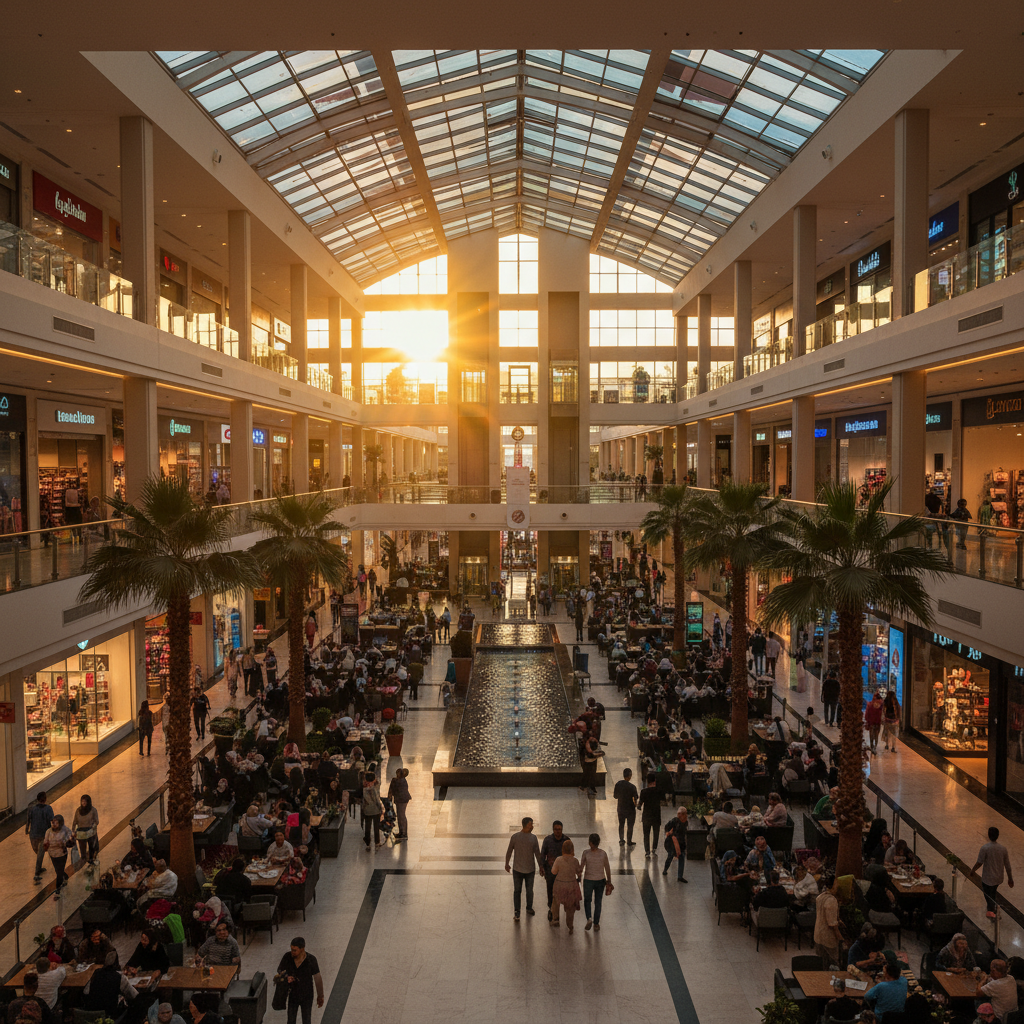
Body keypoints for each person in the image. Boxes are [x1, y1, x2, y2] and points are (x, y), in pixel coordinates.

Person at [275, 938, 324, 1024]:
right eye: (291, 949)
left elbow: (317, 978)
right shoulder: (287, 957)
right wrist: (286, 976)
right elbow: (280, 969)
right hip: (293, 994)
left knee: (306, 1020)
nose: (292, 952)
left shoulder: (311, 960)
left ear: (302, 949)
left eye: (295, 950)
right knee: (291, 1020)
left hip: (307, 995)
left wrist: (320, 996)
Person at [504, 816, 544, 922]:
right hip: (521, 869)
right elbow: (509, 851)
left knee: (525, 890)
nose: (532, 826)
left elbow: (537, 853)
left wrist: (541, 866)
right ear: (526, 825)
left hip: (526, 869)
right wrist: (507, 863)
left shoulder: (532, 838)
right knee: (520, 890)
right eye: (531, 824)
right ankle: (521, 910)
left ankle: (526, 909)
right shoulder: (516, 837)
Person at [971, 826, 1013, 919]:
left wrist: (973, 870)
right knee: (993, 892)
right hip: (998, 878)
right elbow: (1007, 865)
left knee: (987, 894)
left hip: (987, 878)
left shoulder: (985, 848)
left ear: (988, 835)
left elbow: (979, 862)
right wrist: (1010, 878)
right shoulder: (1003, 849)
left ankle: (992, 910)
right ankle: (991, 909)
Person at [580, 833, 611, 931]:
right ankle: (596, 924)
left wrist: (577, 876)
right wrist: (609, 881)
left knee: (587, 900)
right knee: (598, 902)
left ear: (590, 843)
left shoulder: (586, 853)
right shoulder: (603, 854)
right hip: (600, 881)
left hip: (588, 880)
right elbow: (607, 868)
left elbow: (581, 868)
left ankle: (589, 918)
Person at [549, 838, 581, 933]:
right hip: (571, 885)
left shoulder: (558, 859)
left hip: (559, 884)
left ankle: (555, 919)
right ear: (572, 849)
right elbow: (579, 873)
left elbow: (553, 872)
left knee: (555, 902)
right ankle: (570, 925)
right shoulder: (575, 861)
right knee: (570, 907)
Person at [42, 814, 73, 898]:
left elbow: (70, 840)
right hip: (52, 854)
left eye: (56, 823)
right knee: (58, 870)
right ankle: (65, 876)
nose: (54, 825)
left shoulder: (65, 830)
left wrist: (68, 841)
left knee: (59, 873)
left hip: (62, 854)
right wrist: (46, 845)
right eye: (53, 823)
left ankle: (58, 890)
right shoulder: (48, 831)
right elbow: (45, 842)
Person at [26, 791, 53, 884]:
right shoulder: (48, 809)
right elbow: (52, 820)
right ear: (45, 799)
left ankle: (38, 869)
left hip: (33, 834)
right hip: (43, 835)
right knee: (40, 853)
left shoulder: (32, 808)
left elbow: (28, 819)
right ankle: (36, 874)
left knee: (38, 853)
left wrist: (27, 829)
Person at [814, 884, 842, 967]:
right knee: (833, 965)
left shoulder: (820, 896)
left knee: (821, 963)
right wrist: (840, 938)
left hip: (818, 935)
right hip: (828, 938)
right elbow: (832, 924)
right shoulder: (831, 900)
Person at [637, 772, 662, 860]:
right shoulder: (659, 790)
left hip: (646, 817)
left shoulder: (644, 792)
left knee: (646, 834)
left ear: (647, 781)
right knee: (656, 833)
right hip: (656, 816)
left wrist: (638, 806)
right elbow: (664, 800)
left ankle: (647, 851)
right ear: (655, 780)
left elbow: (639, 805)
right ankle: (654, 849)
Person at [662, 806, 689, 882]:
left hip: (681, 843)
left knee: (681, 858)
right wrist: (668, 833)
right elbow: (667, 827)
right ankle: (665, 870)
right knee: (670, 856)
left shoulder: (686, 822)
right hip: (672, 842)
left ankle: (680, 876)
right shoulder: (675, 820)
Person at [72, 794, 99, 867]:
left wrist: (92, 826)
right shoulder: (78, 810)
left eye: (85, 801)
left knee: (91, 848)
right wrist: (73, 831)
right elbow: (75, 821)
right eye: (82, 801)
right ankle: (83, 860)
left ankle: (91, 860)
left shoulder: (93, 810)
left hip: (90, 833)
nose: (83, 803)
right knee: (82, 849)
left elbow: (97, 821)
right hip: (81, 834)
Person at [613, 768, 638, 846]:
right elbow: (635, 798)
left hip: (620, 808)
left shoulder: (618, 784)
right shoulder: (632, 787)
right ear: (630, 776)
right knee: (630, 825)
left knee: (621, 824)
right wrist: (635, 804)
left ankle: (621, 840)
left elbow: (615, 796)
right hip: (630, 809)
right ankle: (629, 841)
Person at [360, 775, 384, 851]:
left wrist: (363, 808)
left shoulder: (363, 788)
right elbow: (377, 799)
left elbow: (362, 801)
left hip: (367, 811)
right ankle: (377, 842)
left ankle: (368, 844)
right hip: (375, 810)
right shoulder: (374, 789)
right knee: (376, 827)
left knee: (367, 827)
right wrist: (380, 808)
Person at [388, 768, 411, 841]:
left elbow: (391, 791)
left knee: (401, 816)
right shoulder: (402, 780)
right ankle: (402, 832)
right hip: (403, 799)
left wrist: (389, 799)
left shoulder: (397, 781)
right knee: (401, 816)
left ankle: (403, 834)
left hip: (401, 800)